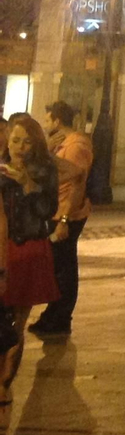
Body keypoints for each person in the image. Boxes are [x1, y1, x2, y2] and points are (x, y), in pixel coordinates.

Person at [1, 114, 60, 408]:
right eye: (15, 140)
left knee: (17, 323)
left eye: (27, 141)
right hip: (1, 248)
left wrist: (28, 184)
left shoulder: (44, 169)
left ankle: (4, 381)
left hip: (28, 249)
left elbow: (49, 210)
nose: (20, 147)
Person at [30, 101, 92, 340]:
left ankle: (60, 317)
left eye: (47, 120)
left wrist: (65, 218)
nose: (45, 124)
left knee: (64, 267)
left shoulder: (76, 145)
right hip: (55, 210)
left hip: (67, 213)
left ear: (56, 121)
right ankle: (53, 314)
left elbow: (78, 182)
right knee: (56, 266)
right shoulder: (60, 144)